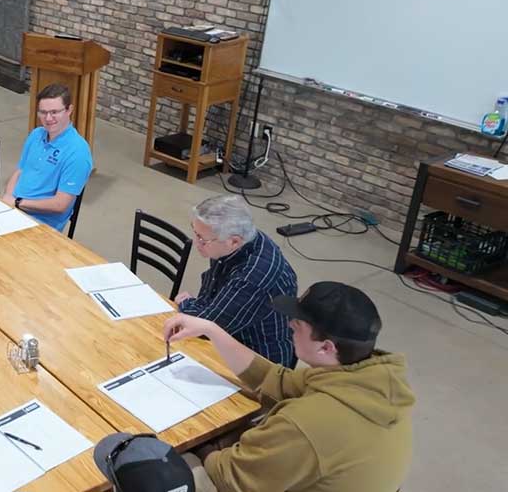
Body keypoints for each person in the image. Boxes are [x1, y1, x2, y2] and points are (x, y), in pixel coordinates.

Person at [164, 282, 415, 492]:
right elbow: (275, 379)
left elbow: (230, 477)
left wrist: (198, 446)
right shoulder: (368, 377)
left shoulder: (307, 423)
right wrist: (211, 329)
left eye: (299, 325)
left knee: (167, 464)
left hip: (250, 477)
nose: (290, 325)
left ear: (326, 347)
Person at [175, 195, 298, 367]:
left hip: (259, 363)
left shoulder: (253, 277)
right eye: (195, 233)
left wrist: (187, 303)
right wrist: (197, 305)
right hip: (233, 337)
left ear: (234, 241)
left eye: (202, 239)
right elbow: (210, 294)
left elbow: (208, 326)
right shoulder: (238, 241)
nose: (196, 242)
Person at [0, 83, 92, 230]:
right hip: (14, 208)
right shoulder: (36, 134)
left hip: (40, 224)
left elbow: (60, 205)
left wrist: (18, 203)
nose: (48, 118)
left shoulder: (78, 152)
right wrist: (7, 198)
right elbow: (20, 171)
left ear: (69, 110)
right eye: (43, 112)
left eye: (54, 112)